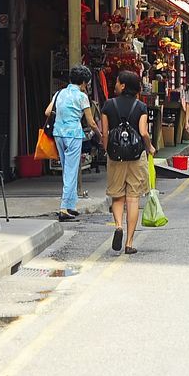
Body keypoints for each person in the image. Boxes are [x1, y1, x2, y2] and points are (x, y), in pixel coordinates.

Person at [100, 71, 153, 254]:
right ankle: (129, 243)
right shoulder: (140, 106)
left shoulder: (108, 105)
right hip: (136, 156)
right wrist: (150, 147)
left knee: (117, 195)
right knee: (133, 198)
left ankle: (118, 226)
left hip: (115, 156)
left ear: (123, 85)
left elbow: (105, 133)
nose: (114, 84)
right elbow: (143, 132)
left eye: (116, 81)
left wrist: (107, 150)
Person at [47, 66, 97, 220]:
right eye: (87, 83)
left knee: (66, 169)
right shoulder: (82, 97)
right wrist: (100, 135)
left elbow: (48, 112)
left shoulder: (59, 93)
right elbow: (91, 122)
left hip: (58, 134)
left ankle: (71, 205)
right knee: (71, 170)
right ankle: (64, 207)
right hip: (73, 135)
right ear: (83, 82)